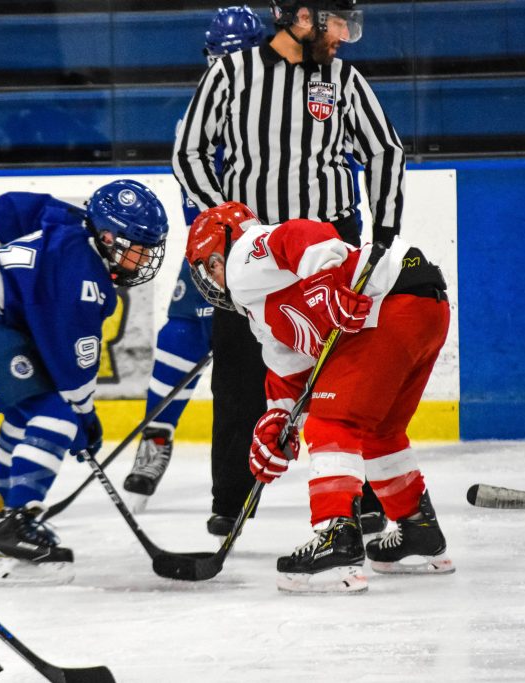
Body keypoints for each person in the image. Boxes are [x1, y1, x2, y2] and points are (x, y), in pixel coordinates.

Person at [172, 0, 403, 536]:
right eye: (339, 20)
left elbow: (385, 151)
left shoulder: (343, 77)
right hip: (252, 252)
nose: (346, 33)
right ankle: (231, 499)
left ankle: (361, 496)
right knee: (237, 375)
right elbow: (189, 153)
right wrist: (231, 221)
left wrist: (381, 236)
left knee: (348, 373)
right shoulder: (232, 72)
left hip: (328, 246)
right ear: (303, 17)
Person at [185, 201, 453, 593]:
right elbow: (287, 371)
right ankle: (419, 530)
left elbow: (301, 234)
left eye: (208, 266)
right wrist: (278, 421)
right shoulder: (258, 309)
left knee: (331, 422)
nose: (211, 278)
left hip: (390, 302)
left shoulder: (244, 255)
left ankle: (336, 539)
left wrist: (326, 285)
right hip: (423, 306)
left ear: (216, 255)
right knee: (379, 432)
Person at [0, 180, 168, 585]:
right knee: (57, 414)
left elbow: (3, 207)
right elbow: (70, 362)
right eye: (136, 246)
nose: (142, 259)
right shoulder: (83, 278)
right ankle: (17, 524)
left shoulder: (73, 234)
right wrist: (85, 415)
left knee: (29, 415)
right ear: (107, 236)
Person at [121, 5, 266, 512]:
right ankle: (155, 437)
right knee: (182, 332)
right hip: (218, 251)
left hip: (277, 251)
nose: (224, 67)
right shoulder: (198, 115)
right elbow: (194, 200)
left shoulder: (283, 103)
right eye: (218, 56)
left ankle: (345, 464)